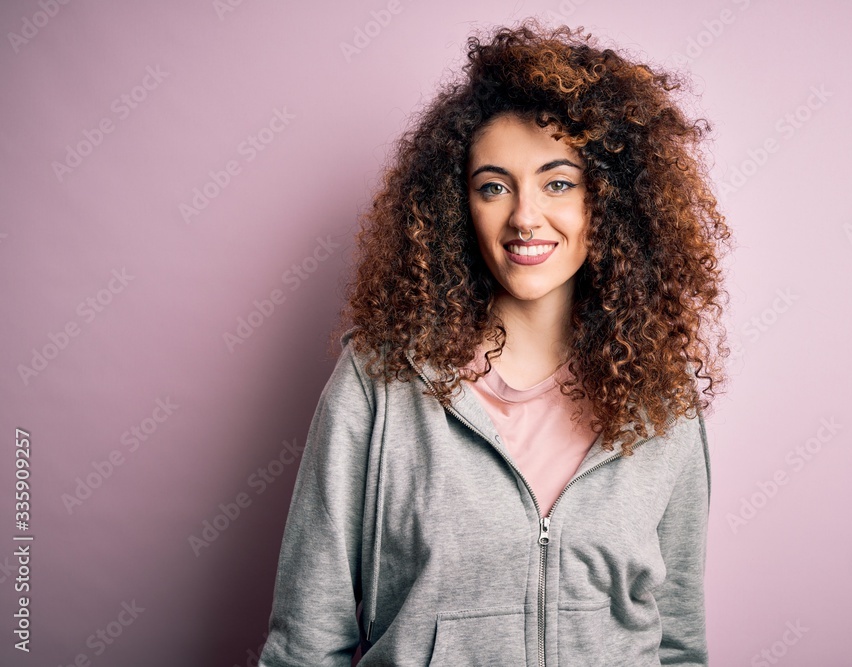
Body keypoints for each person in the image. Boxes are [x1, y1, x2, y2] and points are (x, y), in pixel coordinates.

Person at [258, 17, 731, 667]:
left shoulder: (662, 394)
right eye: (493, 185)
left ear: (609, 201)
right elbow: (308, 640)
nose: (524, 215)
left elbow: (678, 642)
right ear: (460, 205)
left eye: (557, 181)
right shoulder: (379, 379)